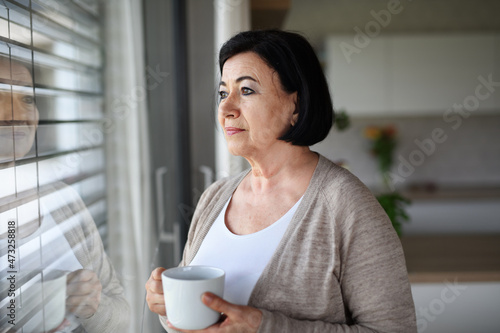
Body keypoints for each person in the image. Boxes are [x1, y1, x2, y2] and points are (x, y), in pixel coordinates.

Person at [145, 29, 417, 332]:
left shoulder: (346, 205)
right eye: (223, 93)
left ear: (296, 105)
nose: (225, 108)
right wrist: (169, 307)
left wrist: (264, 327)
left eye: (246, 91)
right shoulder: (215, 196)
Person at [0, 56, 129, 332]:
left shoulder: (63, 200)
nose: (17, 114)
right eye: (0, 95)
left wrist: (93, 307)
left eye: (27, 99)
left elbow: (122, 314)